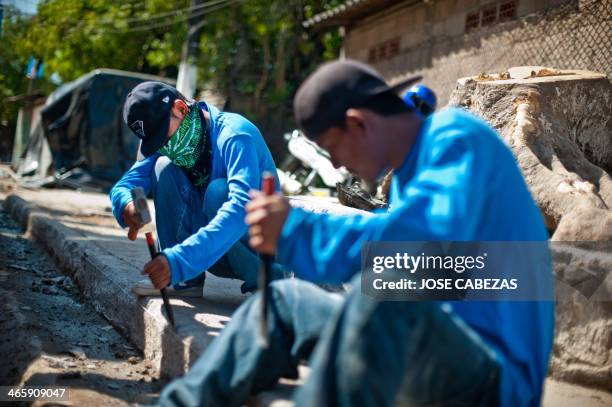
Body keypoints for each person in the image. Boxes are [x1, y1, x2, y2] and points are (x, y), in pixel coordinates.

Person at [155, 60, 554, 406]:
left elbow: (414, 249)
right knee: (285, 300)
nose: (340, 166)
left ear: (358, 124)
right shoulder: (412, 171)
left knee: (386, 293)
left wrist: (294, 229)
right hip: (422, 339)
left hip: (492, 376)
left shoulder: (457, 139)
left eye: (333, 149)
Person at [110, 81, 282, 297]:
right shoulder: (163, 143)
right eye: (157, 142)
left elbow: (239, 209)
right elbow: (125, 186)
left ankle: (267, 282)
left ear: (181, 108)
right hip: (213, 252)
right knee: (163, 166)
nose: (165, 146)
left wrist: (179, 260)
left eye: (165, 136)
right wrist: (127, 205)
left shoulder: (235, 135)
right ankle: (184, 282)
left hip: (259, 249)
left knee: (218, 192)